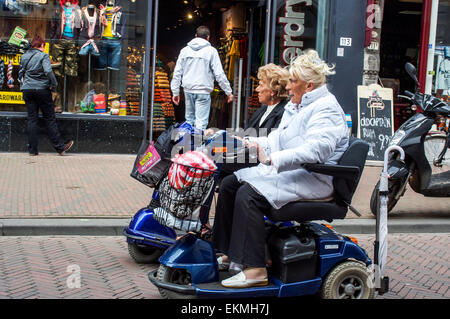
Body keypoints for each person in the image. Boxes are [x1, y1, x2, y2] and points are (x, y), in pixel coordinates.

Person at [212, 50, 349, 288]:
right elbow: (278, 138)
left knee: (249, 195)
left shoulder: (326, 109)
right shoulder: (297, 106)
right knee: (230, 183)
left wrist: (272, 159)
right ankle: (230, 254)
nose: (288, 87)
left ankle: (255, 270)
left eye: (292, 81)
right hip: (294, 172)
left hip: (313, 178)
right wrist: (252, 144)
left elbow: (315, 151)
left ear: (308, 85)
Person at [212, 63, 290, 179]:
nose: (257, 89)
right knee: (211, 153)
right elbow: (246, 135)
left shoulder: (283, 112)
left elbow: (270, 146)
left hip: (260, 162)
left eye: (260, 85)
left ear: (272, 91)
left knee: (215, 162)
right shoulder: (263, 109)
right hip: (247, 155)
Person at [19, 35, 74, 156]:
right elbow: (48, 71)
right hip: (42, 90)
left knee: (32, 119)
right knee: (49, 119)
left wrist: (23, 87)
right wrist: (54, 85)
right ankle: (60, 147)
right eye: (44, 46)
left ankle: (33, 150)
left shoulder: (24, 56)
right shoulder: (43, 56)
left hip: (27, 90)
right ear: (42, 45)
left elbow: (21, 73)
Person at [170, 26, 233, 130]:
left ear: (195, 36)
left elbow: (177, 73)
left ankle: (188, 145)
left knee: (189, 121)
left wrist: (175, 92)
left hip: (188, 90)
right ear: (208, 38)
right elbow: (219, 74)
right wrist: (228, 92)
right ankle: (197, 145)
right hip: (203, 91)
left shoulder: (184, 51)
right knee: (200, 124)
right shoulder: (211, 51)